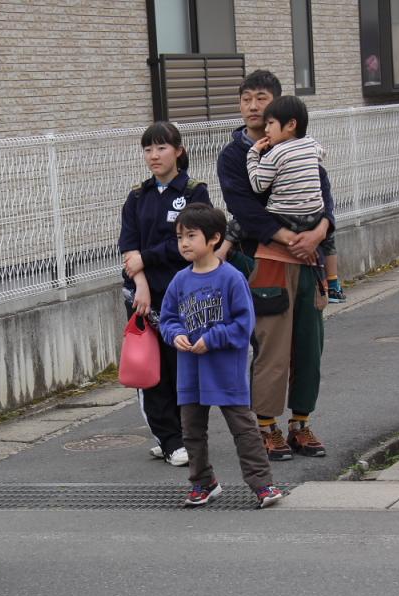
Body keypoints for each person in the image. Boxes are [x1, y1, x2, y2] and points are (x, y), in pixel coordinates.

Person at [216, 70, 336, 461]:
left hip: (310, 262)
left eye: (261, 98)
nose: (253, 105)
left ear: (281, 108)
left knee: (309, 345)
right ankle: (266, 428)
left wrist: (319, 232)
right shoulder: (234, 155)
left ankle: (301, 423)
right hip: (264, 262)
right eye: (246, 98)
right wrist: (291, 239)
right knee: (271, 349)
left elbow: (324, 194)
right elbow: (243, 209)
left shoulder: (300, 146)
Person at [159, 204, 284, 508]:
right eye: (180, 237)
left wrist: (211, 339)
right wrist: (175, 334)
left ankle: (263, 484)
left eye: (191, 235)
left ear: (214, 238)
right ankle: (203, 483)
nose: (184, 243)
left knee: (244, 430)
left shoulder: (231, 278)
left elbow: (243, 326)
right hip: (190, 372)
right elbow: (167, 319)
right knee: (192, 432)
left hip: (225, 370)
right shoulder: (179, 281)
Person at [119, 121, 211, 467]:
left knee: (183, 367)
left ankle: (182, 434)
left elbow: (191, 243)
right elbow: (127, 245)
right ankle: (169, 438)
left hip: (186, 295)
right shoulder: (137, 196)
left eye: (161, 148)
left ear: (178, 150)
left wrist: (147, 257)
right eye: (148, 149)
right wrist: (140, 281)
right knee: (151, 370)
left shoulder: (194, 193)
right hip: (145, 298)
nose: (154, 156)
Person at [245, 95, 344, 303]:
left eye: (270, 123)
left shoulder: (275, 153)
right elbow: (321, 153)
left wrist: (253, 155)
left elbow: (258, 184)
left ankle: (225, 250)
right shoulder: (310, 144)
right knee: (329, 238)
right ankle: (333, 281)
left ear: (291, 124)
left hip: (285, 217)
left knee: (238, 224)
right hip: (314, 217)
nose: (266, 130)